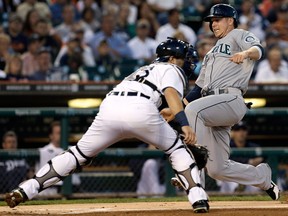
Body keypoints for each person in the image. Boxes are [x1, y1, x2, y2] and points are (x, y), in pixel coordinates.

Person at [5, 37, 210, 213]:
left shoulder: (141, 70)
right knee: (177, 149)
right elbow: (171, 94)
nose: (187, 64)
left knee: (77, 154)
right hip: (139, 107)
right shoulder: (171, 67)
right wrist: (184, 124)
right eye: (185, 59)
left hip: (111, 106)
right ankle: (198, 197)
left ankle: (27, 188)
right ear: (173, 58)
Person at [161, 4, 280, 201]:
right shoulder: (209, 54)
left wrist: (245, 53)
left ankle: (193, 177)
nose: (213, 24)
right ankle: (263, 178)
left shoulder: (238, 35)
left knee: (194, 111)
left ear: (230, 20)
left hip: (231, 98)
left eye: (217, 19)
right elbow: (198, 89)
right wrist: (175, 110)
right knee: (217, 169)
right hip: (211, 106)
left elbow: (258, 50)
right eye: (211, 21)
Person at [35, 121, 81, 196]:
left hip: (74, 189)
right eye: (58, 133)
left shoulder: (73, 149)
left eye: (63, 132)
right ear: (51, 136)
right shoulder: (43, 151)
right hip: (51, 191)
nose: (62, 135)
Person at [217, 121, 264, 193]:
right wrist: (249, 162)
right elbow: (224, 161)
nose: (241, 132)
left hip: (248, 177)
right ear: (232, 133)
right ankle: (237, 189)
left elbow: (261, 160)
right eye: (237, 130)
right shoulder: (226, 146)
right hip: (230, 177)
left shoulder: (253, 147)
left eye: (243, 129)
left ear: (247, 132)